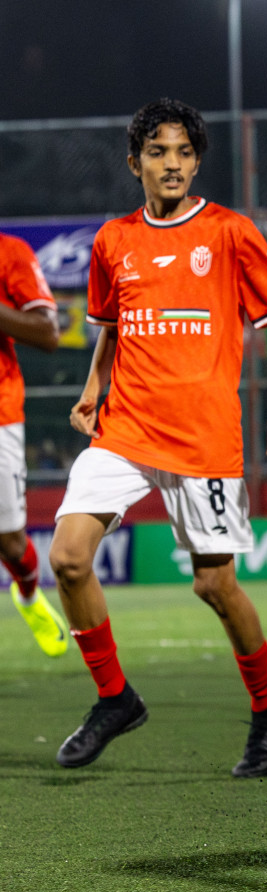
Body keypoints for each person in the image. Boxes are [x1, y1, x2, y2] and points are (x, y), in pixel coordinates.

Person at [49, 99, 267, 777]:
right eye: (159, 152)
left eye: (184, 153)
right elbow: (110, 324)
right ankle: (114, 698)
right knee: (70, 558)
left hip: (204, 440)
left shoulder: (229, 232)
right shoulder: (113, 241)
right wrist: (91, 387)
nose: (173, 164)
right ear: (135, 163)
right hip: (126, 428)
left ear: (197, 161)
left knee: (215, 586)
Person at [0, 230, 64, 655]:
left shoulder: (10, 252)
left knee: (9, 540)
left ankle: (26, 593)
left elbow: (47, 332)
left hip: (0, 412)